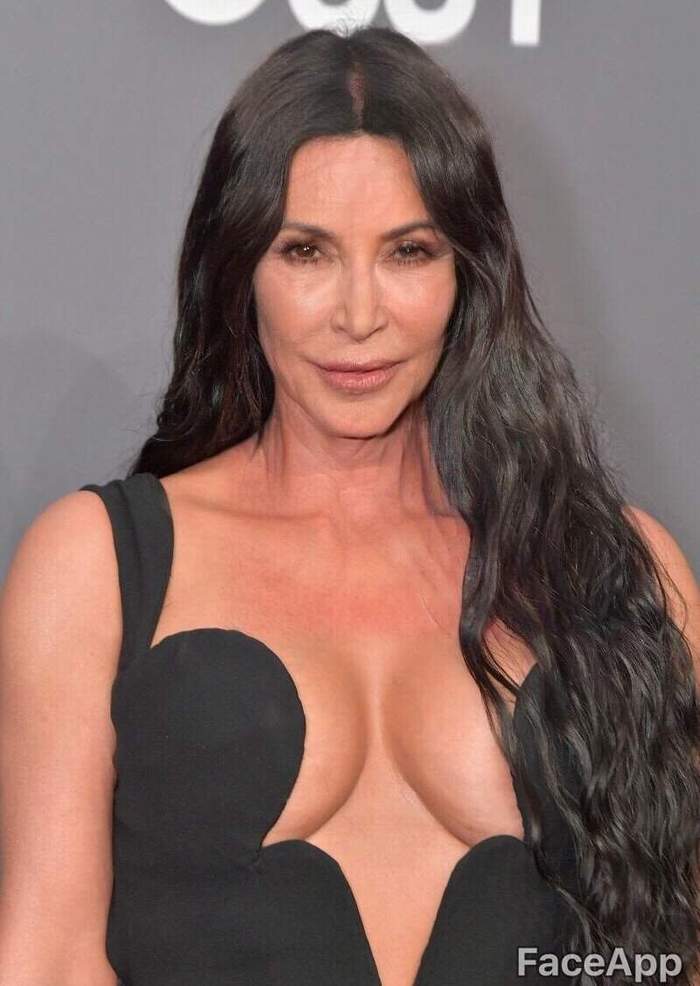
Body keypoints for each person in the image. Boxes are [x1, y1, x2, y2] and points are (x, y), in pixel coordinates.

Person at [1, 24, 699, 986]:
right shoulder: (96, 569)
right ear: (239, 266)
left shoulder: (619, 571)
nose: (360, 315)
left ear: (469, 272)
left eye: (409, 251)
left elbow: (675, 953)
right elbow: (46, 960)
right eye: (307, 252)